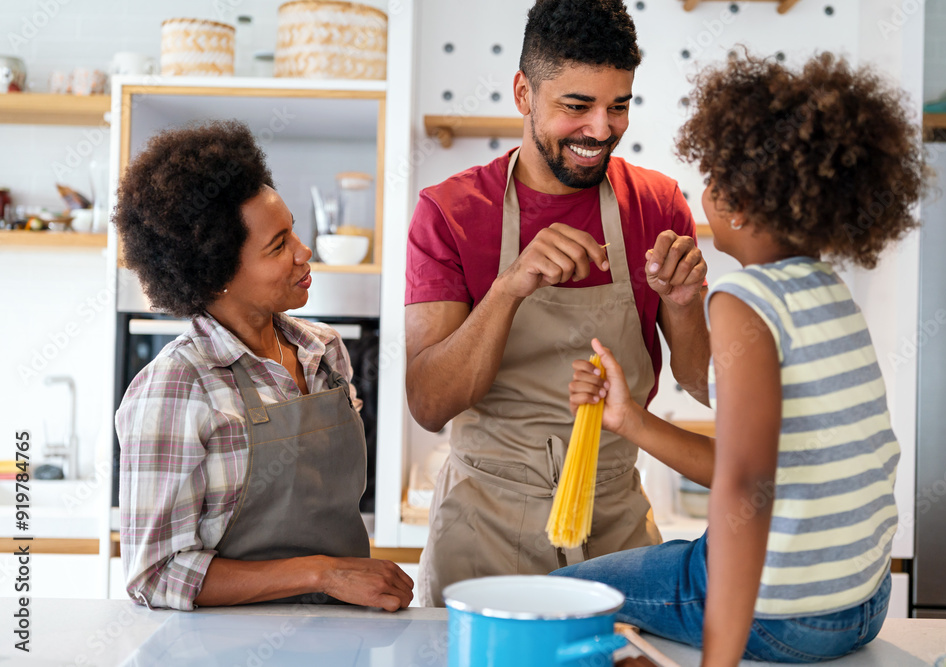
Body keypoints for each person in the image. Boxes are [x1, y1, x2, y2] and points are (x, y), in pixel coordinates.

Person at [554, 52, 928, 665]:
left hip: (781, 611)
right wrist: (628, 418)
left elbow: (744, 485)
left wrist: (718, 659)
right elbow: (760, 466)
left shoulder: (743, 297)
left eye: (713, 173)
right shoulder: (828, 291)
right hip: (861, 604)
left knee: (560, 598)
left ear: (738, 199)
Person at [405, 0, 711, 607]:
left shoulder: (658, 204)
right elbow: (430, 403)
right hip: (483, 531)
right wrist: (510, 286)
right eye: (576, 106)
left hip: (616, 532)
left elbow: (704, 384)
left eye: (619, 106)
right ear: (524, 93)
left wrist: (680, 303)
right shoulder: (450, 212)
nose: (601, 130)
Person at [115, 121, 413, 611]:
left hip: (346, 632)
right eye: (278, 246)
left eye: (293, 228)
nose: (304, 250)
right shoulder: (176, 385)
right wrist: (323, 573)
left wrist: (340, 581)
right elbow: (155, 574)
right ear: (216, 272)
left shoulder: (325, 352)